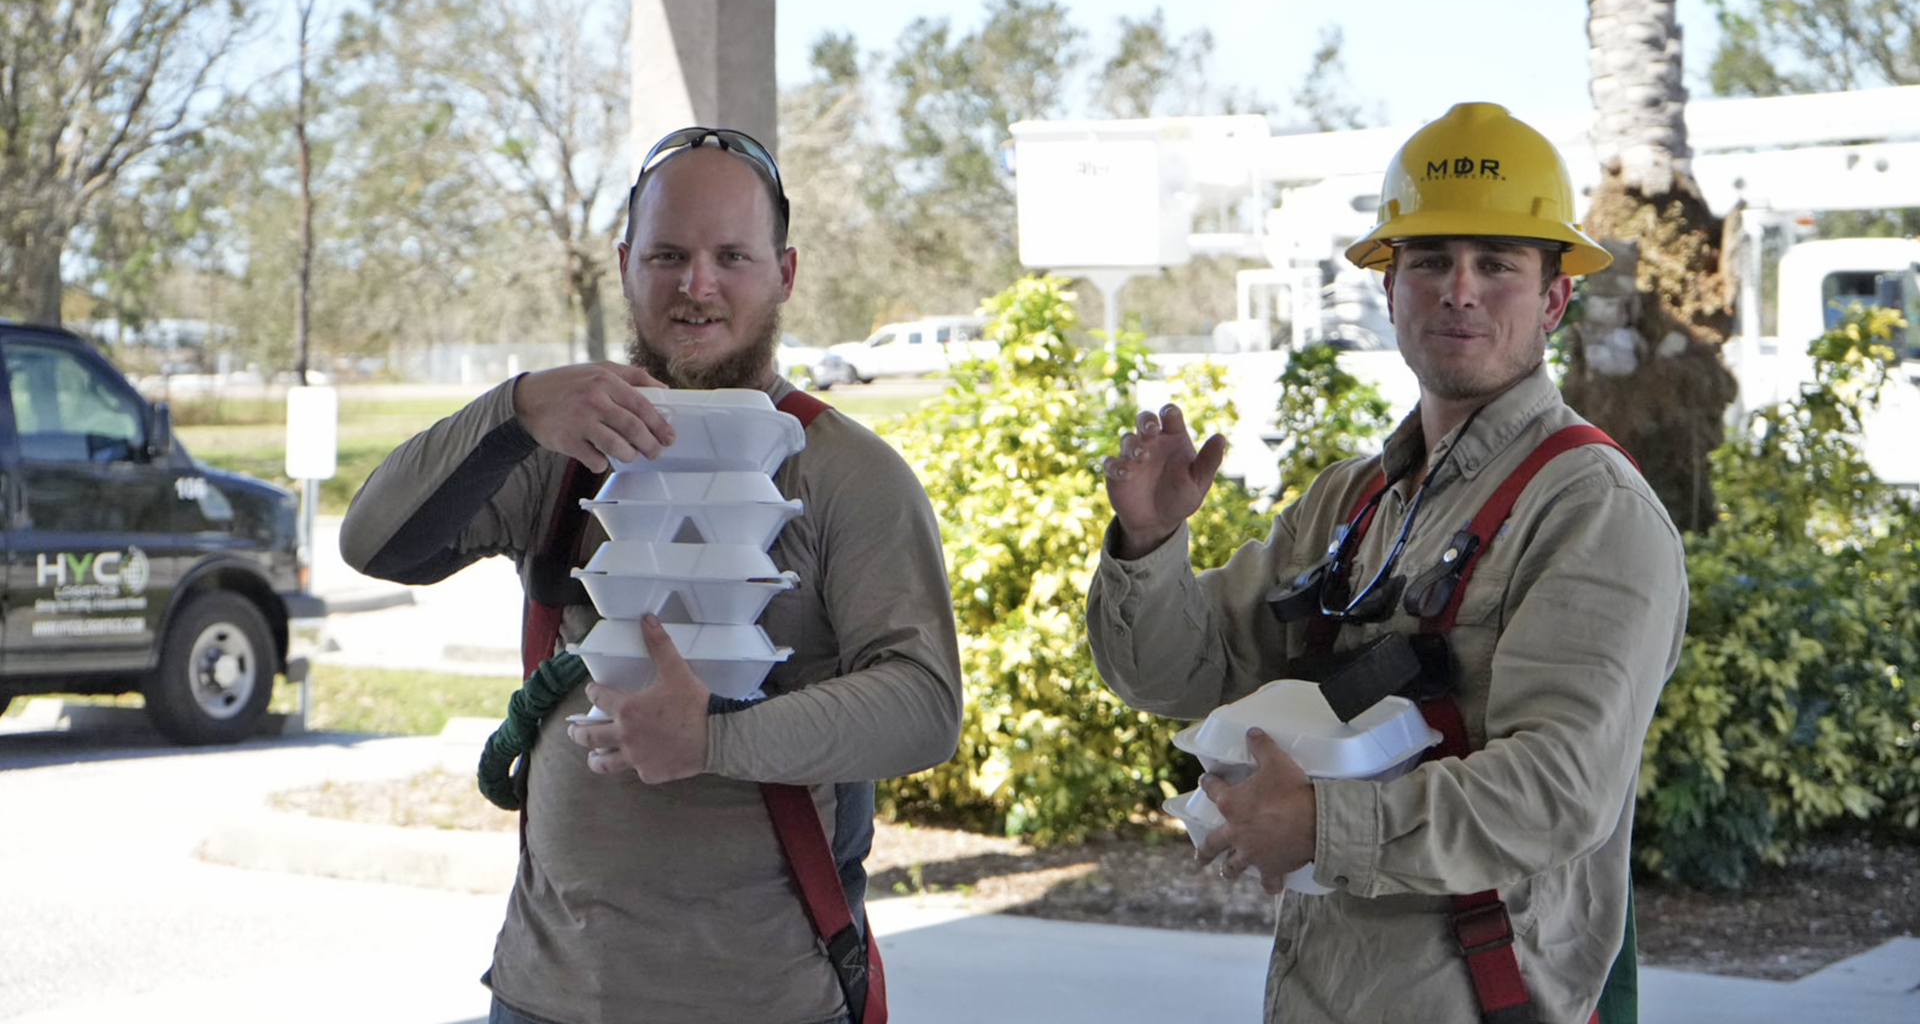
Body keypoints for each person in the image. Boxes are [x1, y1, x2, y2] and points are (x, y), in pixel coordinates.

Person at [340, 126, 964, 1024]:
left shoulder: (848, 474)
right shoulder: (560, 448)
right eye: (668, 254)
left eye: (731, 256)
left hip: (767, 1002)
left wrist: (713, 741)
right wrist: (511, 411)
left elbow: (923, 706)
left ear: (784, 273)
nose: (696, 284)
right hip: (542, 995)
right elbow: (377, 547)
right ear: (628, 265)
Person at [1087, 102, 1687, 1024]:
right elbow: (1176, 671)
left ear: (1555, 298)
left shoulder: (1590, 509)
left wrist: (1325, 826)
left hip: (1480, 1002)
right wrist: (1150, 546)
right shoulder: (1353, 501)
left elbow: (1559, 788)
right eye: (1430, 261)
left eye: (1497, 264)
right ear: (1389, 287)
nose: (1460, 290)